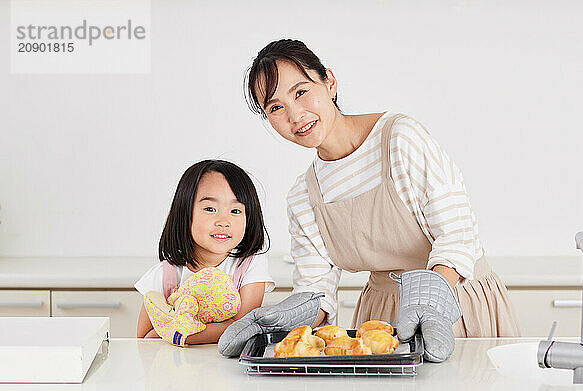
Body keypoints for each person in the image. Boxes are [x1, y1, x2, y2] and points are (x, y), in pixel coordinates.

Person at [234, 39, 521, 361]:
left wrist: (429, 301)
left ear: (329, 82)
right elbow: (316, 292)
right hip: (381, 316)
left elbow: (457, 235)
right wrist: (285, 330)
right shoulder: (304, 196)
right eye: (275, 107)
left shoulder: (399, 138)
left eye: (300, 92)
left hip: (456, 300)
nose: (295, 114)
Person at [135, 159, 275, 344]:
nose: (223, 221)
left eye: (235, 211)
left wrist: (177, 333)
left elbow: (242, 327)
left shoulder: (249, 265)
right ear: (185, 213)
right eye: (210, 209)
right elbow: (145, 338)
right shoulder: (164, 274)